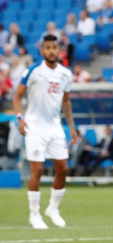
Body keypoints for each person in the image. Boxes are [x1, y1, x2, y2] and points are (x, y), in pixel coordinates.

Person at [12, 34, 78, 229]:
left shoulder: (66, 74)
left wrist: (72, 128)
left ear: (59, 50)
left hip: (55, 126)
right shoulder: (33, 71)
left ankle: (53, 209)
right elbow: (17, 96)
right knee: (38, 170)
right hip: (34, 126)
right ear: (42, 51)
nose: (51, 51)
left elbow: (66, 102)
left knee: (63, 168)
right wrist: (20, 118)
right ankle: (34, 214)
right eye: (47, 47)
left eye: (54, 47)